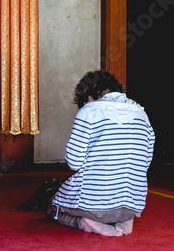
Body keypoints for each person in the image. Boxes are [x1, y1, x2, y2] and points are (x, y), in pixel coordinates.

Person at [48, 70, 155, 236]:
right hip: (132, 206)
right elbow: (145, 163)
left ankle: (88, 223)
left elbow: (74, 162)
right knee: (123, 195)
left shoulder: (89, 111)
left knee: (53, 205)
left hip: (94, 205)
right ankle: (125, 221)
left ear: (89, 97)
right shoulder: (142, 114)